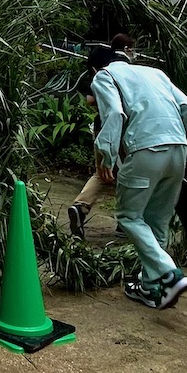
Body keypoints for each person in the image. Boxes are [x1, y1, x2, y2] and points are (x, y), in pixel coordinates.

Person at [88, 37, 187, 309]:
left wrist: (107, 154)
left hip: (144, 148)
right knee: (157, 221)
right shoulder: (155, 73)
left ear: (93, 69)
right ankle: (151, 287)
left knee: (129, 216)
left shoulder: (103, 76)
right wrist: (180, 137)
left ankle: (169, 273)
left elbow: (114, 113)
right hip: (178, 148)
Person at [67, 34, 135, 238]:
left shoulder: (103, 67)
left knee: (101, 172)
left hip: (101, 126)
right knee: (127, 174)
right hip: (122, 128)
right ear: (127, 49)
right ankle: (124, 222)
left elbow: (90, 99)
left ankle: (81, 207)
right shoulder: (122, 72)